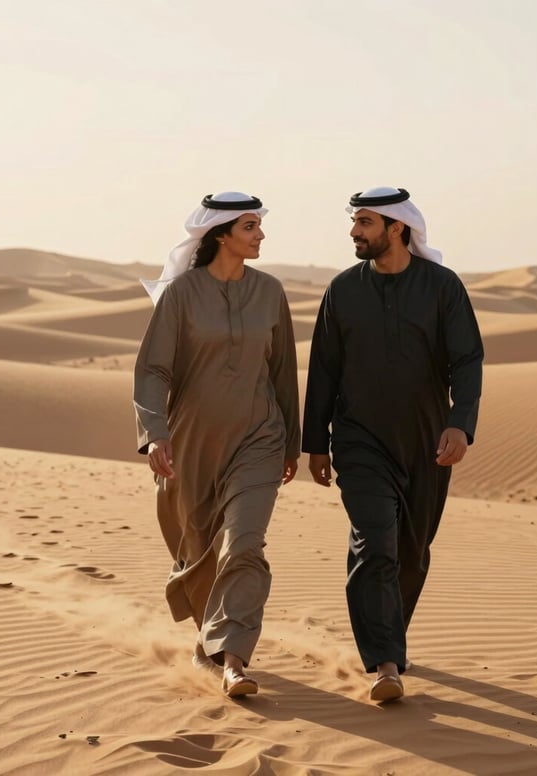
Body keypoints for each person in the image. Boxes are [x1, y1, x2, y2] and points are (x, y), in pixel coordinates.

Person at [302, 186, 483, 702]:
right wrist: (318, 443)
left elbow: (467, 359)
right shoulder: (342, 290)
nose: (354, 232)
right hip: (360, 440)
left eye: (364, 223)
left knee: (412, 553)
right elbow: (323, 370)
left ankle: (387, 636)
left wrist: (460, 423)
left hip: (427, 442)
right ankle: (385, 664)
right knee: (375, 541)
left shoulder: (442, 287)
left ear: (396, 228)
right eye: (355, 222)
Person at [134, 191, 300, 698]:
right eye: (250, 227)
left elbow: (284, 372)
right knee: (199, 547)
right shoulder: (182, 294)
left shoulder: (270, 292)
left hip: (259, 438)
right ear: (220, 235)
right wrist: (154, 433)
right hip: (190, 443)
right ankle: (208, 642)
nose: (261, 235)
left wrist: (291, 441)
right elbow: (153, 369)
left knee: (244, 543)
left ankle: (233, 660)